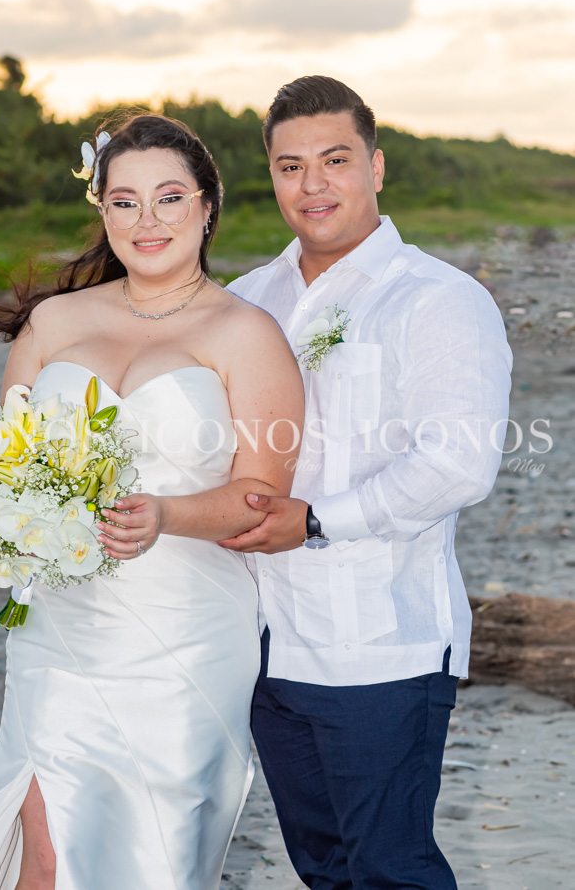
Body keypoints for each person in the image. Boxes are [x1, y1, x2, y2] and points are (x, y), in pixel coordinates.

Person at [0, 114, 304, 890]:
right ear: (103, 211)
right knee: (47, 857)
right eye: (124, 202)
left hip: (186, 629)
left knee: (155, 858)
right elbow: (4, 460)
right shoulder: (54, 322)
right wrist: (8, 527)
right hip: (62, 624)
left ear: (207, 206)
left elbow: (261, 497)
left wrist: (165, 515)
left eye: (168, 198)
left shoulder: (246, 332)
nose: (146, 220)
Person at [223, 75, 512, 889]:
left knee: (390, 871)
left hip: (380, 648)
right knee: (323, 870)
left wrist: (316, 521)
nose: (312, 184)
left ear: (376, 167)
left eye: (335, 159)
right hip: (264, 646)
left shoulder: (438, 300)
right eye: (289, 166)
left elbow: (457, 464)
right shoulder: (246, 300)